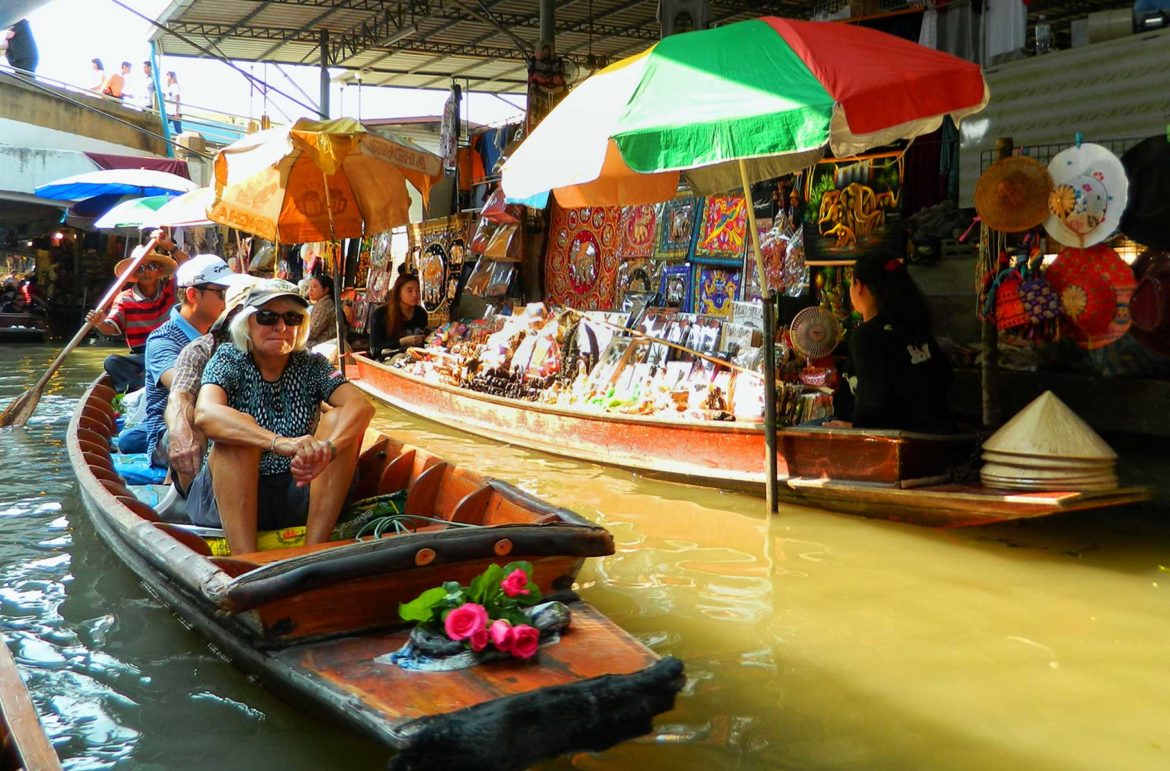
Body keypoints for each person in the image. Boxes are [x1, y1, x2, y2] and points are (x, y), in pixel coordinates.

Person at [191, 280, 374, 554]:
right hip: (227, 497)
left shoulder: (311, 364)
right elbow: (205, 414)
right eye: (267, 317)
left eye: (291, 318)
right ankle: (248, 561)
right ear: (248, 322)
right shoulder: (230, 358)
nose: (281, 327)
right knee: (238, 438)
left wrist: (328, 449)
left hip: (296, 490)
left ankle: (313, 552)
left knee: (338, 421)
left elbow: (361, 406)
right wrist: (279, 443)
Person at [131, 255, 244, 461]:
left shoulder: (228, 331)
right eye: (222, 293)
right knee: (199, 419)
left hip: (223, 418)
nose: (230, 300)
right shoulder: (163, 341)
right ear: (193, 294)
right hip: (169, 436)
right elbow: (183, 386)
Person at [831, 250, 953, 433]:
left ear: (859, 287)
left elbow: (873, 405)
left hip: (891, 442)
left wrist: (854, 428)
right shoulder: (914, 325)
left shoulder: (867, 336)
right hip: (932, 435)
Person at [163, 275, 260, 493]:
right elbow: (181, 395)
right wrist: (180, 431)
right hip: (215, 460)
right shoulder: (201, 350)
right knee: (197, 419)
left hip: (273, 458)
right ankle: (194, 496)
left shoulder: (285, 354)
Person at [87, 230, 189, 391]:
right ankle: (142, 386)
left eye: (151, 267)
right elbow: (110, 327)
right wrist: (99, 322)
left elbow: (189, 269)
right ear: (134, 273)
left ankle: (146, 383)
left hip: (170, 351)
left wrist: (170, 247)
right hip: (142, 355)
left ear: (159, 271)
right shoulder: (124, 298)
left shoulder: (170, 290)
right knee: (111, 362)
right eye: (140, 268)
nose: (146, 271)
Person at [368, 272, 428, 359]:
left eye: (418, 290)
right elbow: (374, 350)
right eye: (410, 291)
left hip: (417, 359)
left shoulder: (421, 313)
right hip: (389, 362)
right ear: (399, 292)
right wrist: (402, 342)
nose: (415, 295)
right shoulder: (380, 314)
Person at [305, 274, 338, 348]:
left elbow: (312, 332)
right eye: (310, 287)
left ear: (326, 290)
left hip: (326, 345)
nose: (310, 290)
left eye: (315, 287)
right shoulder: (321, 303)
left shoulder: (326, 305)